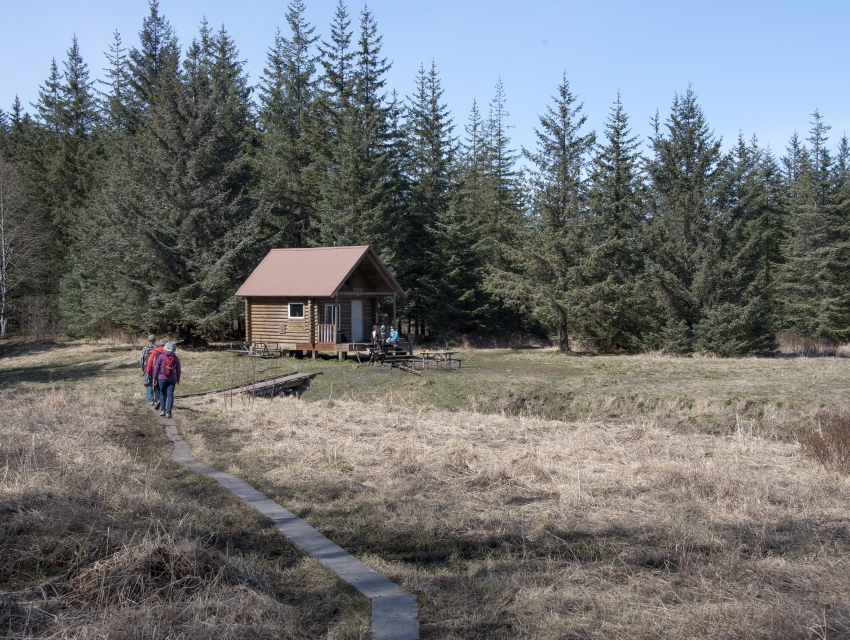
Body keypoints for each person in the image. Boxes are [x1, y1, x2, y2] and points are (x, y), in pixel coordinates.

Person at [152, 341, 181, 418]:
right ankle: (168, 412)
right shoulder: (176, 358)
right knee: (170, 395)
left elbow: (156, 368)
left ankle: (162, 410)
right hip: (172, 379)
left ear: (165, 348)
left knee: (162, 393)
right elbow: (178, 370)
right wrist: (178, 379)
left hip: (162, 378)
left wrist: (154, 378)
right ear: (174, 349)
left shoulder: (161, 356)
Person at [145, 338, 168, 409]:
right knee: (165, 387)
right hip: (166, 372)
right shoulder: (168, 351)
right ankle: (163, 401)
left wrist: (148, 371)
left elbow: (150, 361)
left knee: (156, 386)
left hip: (155, 371)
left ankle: (158, 399)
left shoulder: (155, 351)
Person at [140, 334, 157, 405]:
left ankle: (150, 400)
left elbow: (141, 359)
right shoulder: (157, 348)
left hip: (146, 367)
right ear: (155, 340)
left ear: (148, 340)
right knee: (156, 383)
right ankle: (157, 399)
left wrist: (142, 368)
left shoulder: (145, 348)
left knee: (148, 383)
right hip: (156, 368)